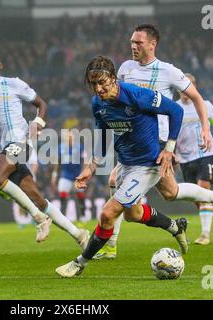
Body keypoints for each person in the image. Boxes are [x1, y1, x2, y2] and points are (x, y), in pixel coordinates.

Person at [94, 24, 213, 259]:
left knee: (114, 180)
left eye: (138, 42)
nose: (133, 46)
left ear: (152, 44)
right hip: (133, 139)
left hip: (157, 142)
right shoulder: (125, 69)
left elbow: (197, 99)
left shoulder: (168, 71)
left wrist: (203, 128)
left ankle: (110, 244)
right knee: (170, 192)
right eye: (131, 41)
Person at [55, 55, 188, 278]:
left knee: (108, 214)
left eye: (102, 82)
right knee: (133, 214)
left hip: (147, 165)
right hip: (126, 163)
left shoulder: (136, 95)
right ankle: (175, 226)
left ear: (114, 78)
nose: (98, 88)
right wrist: (91, 167)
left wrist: (169, 149)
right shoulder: (98, 104)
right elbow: (103, 135)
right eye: (93, 84)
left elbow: (176, 110)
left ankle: (79, 263)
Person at [0, 50, 90, 248]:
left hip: (20, 139)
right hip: (0, 148)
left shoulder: (14, 83)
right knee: (37, 198)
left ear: (1, 65)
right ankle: (79, 234)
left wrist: (38, 123)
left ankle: (38, 219)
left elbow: (41, 104)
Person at [176, 73, 213, 245]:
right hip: (185, 159)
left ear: (194, 87)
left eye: (189, 86)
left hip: (204, 154)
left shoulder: (205, 105)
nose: (185, 90)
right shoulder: (174, 108)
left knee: (202, 189)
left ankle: (205, 235)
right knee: (197, 198)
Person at [51, 131, 87, 223]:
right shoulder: (61, 147)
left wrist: (83, 174)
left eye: (71, 137)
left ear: (74, 138)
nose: (69, 139)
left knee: (80, 196)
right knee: (62, 194)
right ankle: (63, 216)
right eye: (68, 137)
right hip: (65, 176)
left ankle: (82, 216)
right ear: (65, 138)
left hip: (77, 176)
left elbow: (85, 161)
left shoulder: (80, 147)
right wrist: (54, 175)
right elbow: (57, 162)